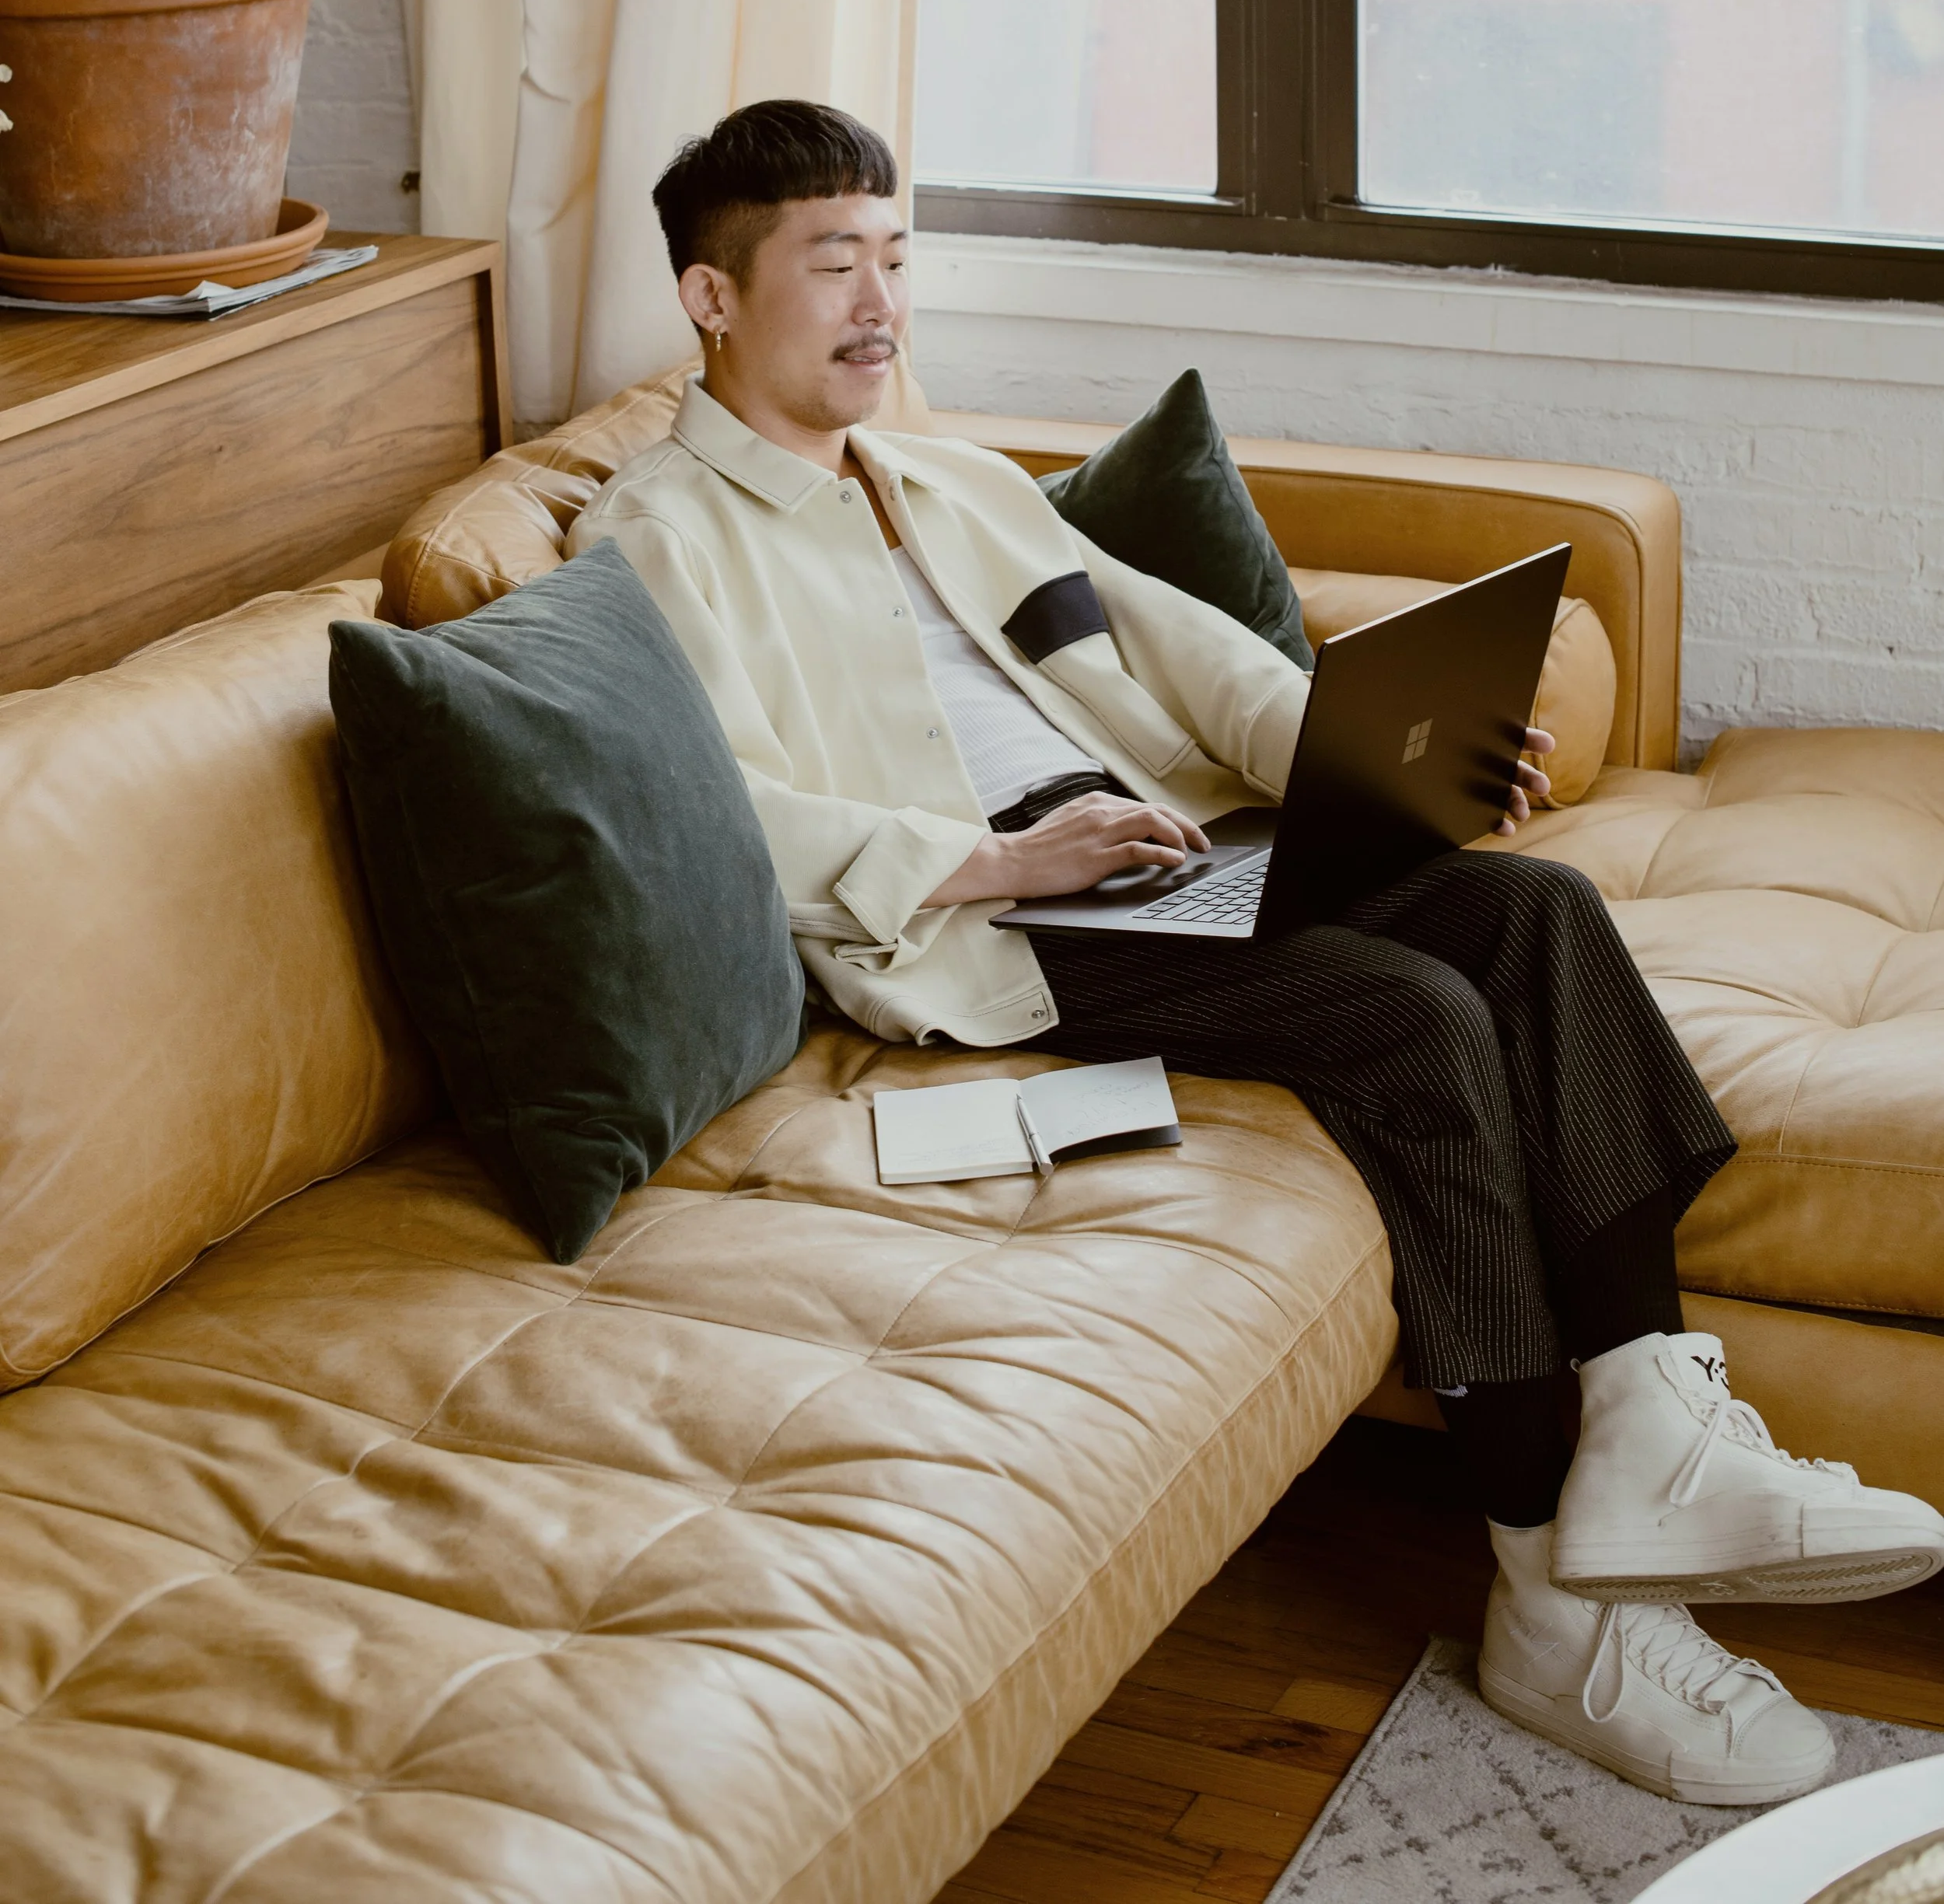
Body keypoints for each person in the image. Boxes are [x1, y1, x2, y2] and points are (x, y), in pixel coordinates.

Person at [570, 99, 1944, 1808]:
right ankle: (1555, 1606)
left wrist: (1367, 765)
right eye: (831, 261)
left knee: (1539, 912)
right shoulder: (655, 534)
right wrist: (996, 856)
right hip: (1000, 928)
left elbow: (1196, 656)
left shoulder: (945, 479)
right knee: (1406, 1014)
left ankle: (1655, 1430)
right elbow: (708, 799)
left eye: (896, 255)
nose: (879, 300)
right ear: (711, 298)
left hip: (1168, 853)